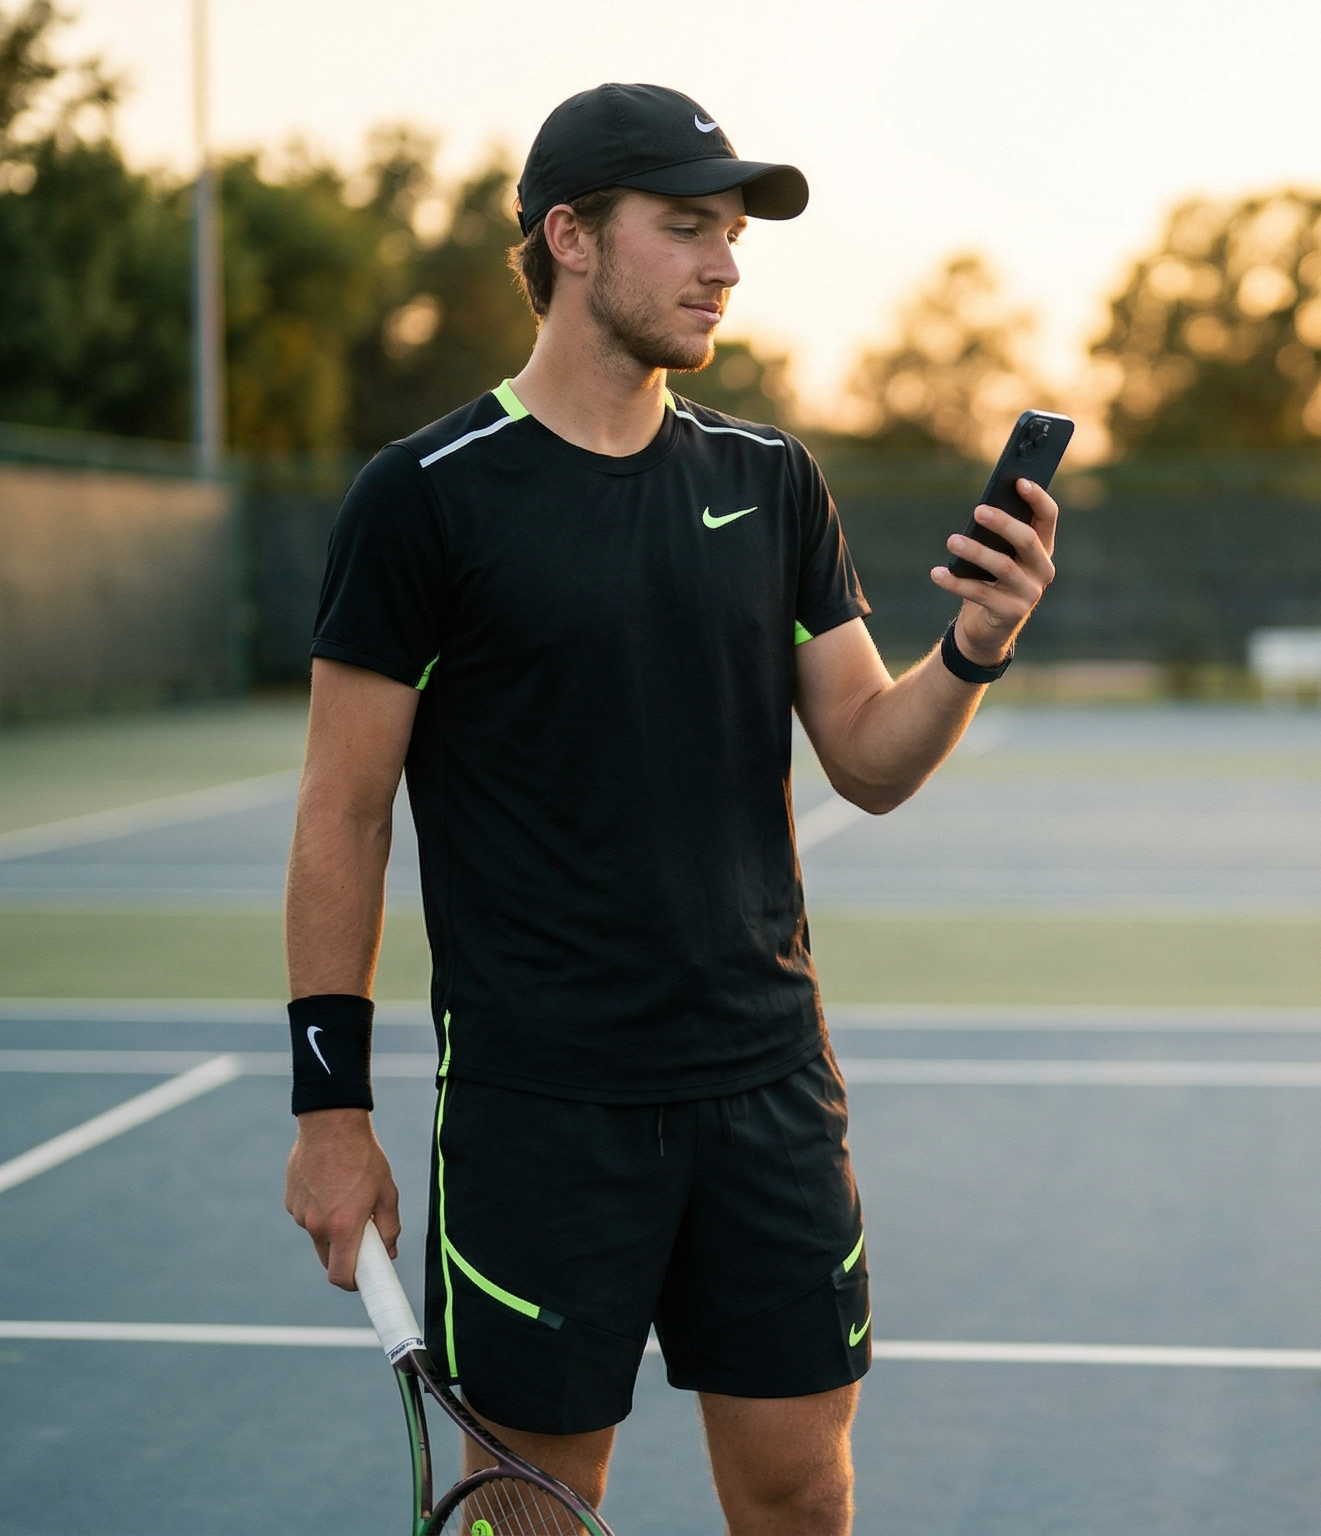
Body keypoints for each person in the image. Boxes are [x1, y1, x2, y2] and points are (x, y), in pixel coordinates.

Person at [277, 82, 1055, 1533]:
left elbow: (870, 760)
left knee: (800, 1491)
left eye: (733, 234)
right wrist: (332, 1113)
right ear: (569, 237)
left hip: (767, 1087)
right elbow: (343, 813)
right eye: (687, 227)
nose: (725, 265)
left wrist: (975, 645)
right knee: (537, 1510)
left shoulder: (771, 481)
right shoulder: (425, 496)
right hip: (539, 1110)